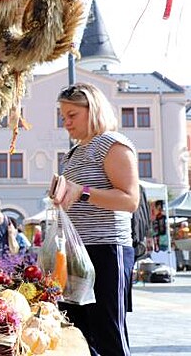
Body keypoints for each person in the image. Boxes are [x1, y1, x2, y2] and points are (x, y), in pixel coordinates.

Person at [55, 82, 139, 356]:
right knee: (78, 334)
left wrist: (83, 192)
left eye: (72, 115)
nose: (65, 122)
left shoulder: (113, 144)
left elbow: (129, 200)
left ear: (93, 110)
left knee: (108, 334)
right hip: (76, 253)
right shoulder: (73, 153)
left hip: (106, 250)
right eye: (63, 116)